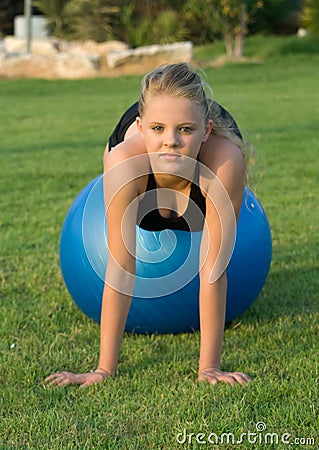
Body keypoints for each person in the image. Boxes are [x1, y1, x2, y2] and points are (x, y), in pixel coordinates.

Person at [46, 63, 252, 387]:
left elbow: (214, 269)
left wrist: (209, 367)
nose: (171, 141)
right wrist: (103, 369)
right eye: (158, 129)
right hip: (136, 161)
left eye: (185, 130)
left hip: (205, 158)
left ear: (206, 131)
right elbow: (120, 266)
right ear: (142, 128)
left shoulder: (223, 159)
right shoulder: (124, 162)